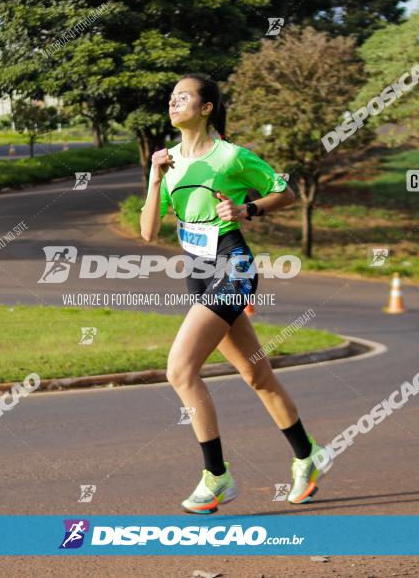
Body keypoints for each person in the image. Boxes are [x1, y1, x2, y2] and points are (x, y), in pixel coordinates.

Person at [139, 73, 332, 514]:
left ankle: (217, 477)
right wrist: (153, 177)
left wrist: (247, 208)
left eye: (182, 98)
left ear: (206, 108)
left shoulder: (232, 157)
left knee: (180, 370)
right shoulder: (169, 165)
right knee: (257, 375)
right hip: (198, 273)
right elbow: (149, 233)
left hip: (234, 267)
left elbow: (286, 192)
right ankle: (308, 455)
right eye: (170, 98)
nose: (173, 104)